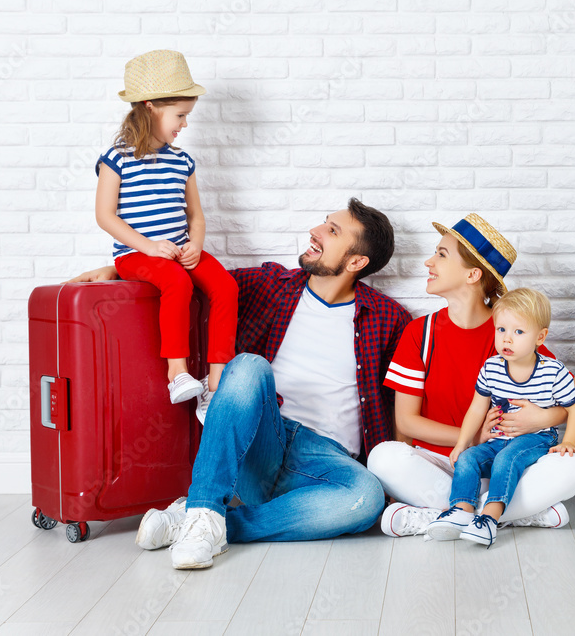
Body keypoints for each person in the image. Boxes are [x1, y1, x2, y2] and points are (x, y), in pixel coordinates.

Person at [69, 199, 411, 570]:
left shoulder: (388, 318)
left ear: (356, 262)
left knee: (365, 497)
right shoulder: (271, 285)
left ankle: (203, 522)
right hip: (261, 438)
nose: (315, 231)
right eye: (324, 223)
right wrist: (118, 270)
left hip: (325, 459)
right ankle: (205, 511)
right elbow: (197, 281)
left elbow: (402, 400)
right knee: (248, 366)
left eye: (332, 231)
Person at [368, 214, 575, 538]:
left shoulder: (509, 334)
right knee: (382, 457)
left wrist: (540, 419)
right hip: (442, 465)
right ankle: (512, 514)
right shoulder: (421, 333)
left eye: (441, 254)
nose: (429, 262)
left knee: (573, 468)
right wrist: (473, 436)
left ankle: (447, 514)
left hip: (505, 465)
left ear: (473, 274)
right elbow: (406, 423)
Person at [95, 49, 238, 411]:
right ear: (150, 107)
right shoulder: (117, 158)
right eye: (180, 115)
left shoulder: (183, 161)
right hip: (136, 254)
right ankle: (178, 373)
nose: (184, 124)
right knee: (177, 282)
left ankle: (216, 381)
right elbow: (105, 216)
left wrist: (196, 243)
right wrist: (147, 246)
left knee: (225, 286)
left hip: (177, 250)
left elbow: (196, 215)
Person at [426, 287, 575, 547]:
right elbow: (477, 409)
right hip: (497, 440)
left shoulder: (553, 372)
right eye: (501, 330)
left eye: (518, 332)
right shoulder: (491, 368)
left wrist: (569, 442)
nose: (507, 339)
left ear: (540, 337)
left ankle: (489, 520)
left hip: (536, 438)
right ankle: (462, 512)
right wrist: (463, 442)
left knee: (507, 458)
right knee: (468, 459)